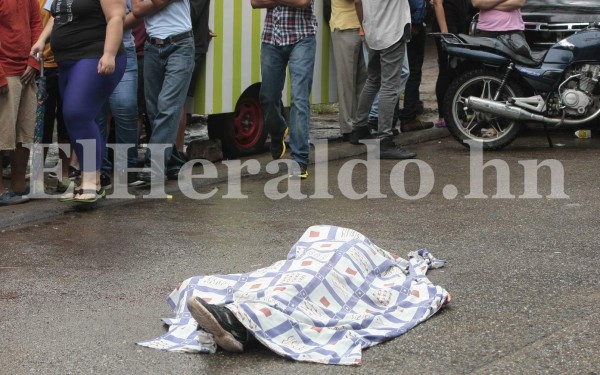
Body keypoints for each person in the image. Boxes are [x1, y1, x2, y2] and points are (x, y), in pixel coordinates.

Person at [137, 225, 451, 364]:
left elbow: (395, 276)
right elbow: (297, 256)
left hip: (337, 269)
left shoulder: (377, 258)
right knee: (277, 281)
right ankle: (234, 318)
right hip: (302, 263)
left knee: (305, 289)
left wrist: (402, 267)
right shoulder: (321, 238)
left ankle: (235, 324)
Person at [32, 0, 127, 203]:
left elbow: (116, 17)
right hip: (66, 61)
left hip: (95, 55)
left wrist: (109, 53)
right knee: (74, 119)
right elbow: (58, 18)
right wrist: (42, 39)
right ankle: (90, 179)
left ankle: (91, 181)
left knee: (78, 113)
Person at [251, 0, 318, 180]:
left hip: (302, 37)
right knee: (267, 97)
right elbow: (255, 2)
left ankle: (299, 159)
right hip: (271, 39)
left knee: (299, 98)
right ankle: (279, 130)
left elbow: (303, 2)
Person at [132, 0, 195, 184]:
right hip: (152, 46)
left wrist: (150, 4)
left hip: (180, 45)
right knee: (154, 111)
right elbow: (137, 9)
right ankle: (174, 162)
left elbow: (148, 5)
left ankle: (155, 166)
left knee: (168, 106)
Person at [349, 0, 417, 159]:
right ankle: (384, 139)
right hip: (392, 32)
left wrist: (364, 26)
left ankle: (359, 128)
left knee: (373, 80)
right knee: (390, 86)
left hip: (372, 31)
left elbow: (357, 2)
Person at [0, 0, 43, 206]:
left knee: (24, 133)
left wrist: (34, 61)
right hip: (4, 71)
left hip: (26, 71)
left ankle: (18, 186)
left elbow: (36, 24)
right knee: (2, 134)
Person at [96, 0, 143, 188]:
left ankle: (127, 169)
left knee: (126, 106)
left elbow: (137, 13)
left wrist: (112, 25)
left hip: (124, 49)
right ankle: (100, 170)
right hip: (90, 50)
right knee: (97, 112)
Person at [170, 0, 214, 181]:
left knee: (178, 101)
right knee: (171, 101)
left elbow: (190, 14)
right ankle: (170, 151)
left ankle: (178, 152)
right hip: (172, 42)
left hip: (190, 44)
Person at [38, 0, 72, 194]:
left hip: (68, 64)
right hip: (40, 67)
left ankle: (64, 174)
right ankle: (38, 176)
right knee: (42, 126)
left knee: (68, 122)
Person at [329, 0, 367, 141]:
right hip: (344, 25)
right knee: (347, 81)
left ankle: (360, 124)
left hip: (364, 26)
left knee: (363, 81)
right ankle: (349, 127)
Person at [399, 0, 436, 132]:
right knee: (412, 71)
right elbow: (418, 2)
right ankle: (409, 117)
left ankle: (392, 118)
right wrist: (417, 22)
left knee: (396, 72)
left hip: (397, 24)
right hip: (411, 24)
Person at [431, 0, 469, 128]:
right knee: (446, 69)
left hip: (459, 21)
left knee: (460, 69)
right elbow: (437, 2)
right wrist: (445, 32)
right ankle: (443, 116)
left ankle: (458, 112)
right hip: (447, 25)